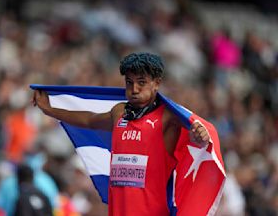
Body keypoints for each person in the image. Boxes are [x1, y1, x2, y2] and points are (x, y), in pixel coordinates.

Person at [32, 52, 211, 215]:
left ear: (156, 83)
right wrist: (50, 110)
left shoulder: (168, 117)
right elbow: (88, 120)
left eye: (142, 83)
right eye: (129, 82)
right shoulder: (119, 112)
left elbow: (194, 138)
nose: (134, 89)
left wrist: (200, 137)